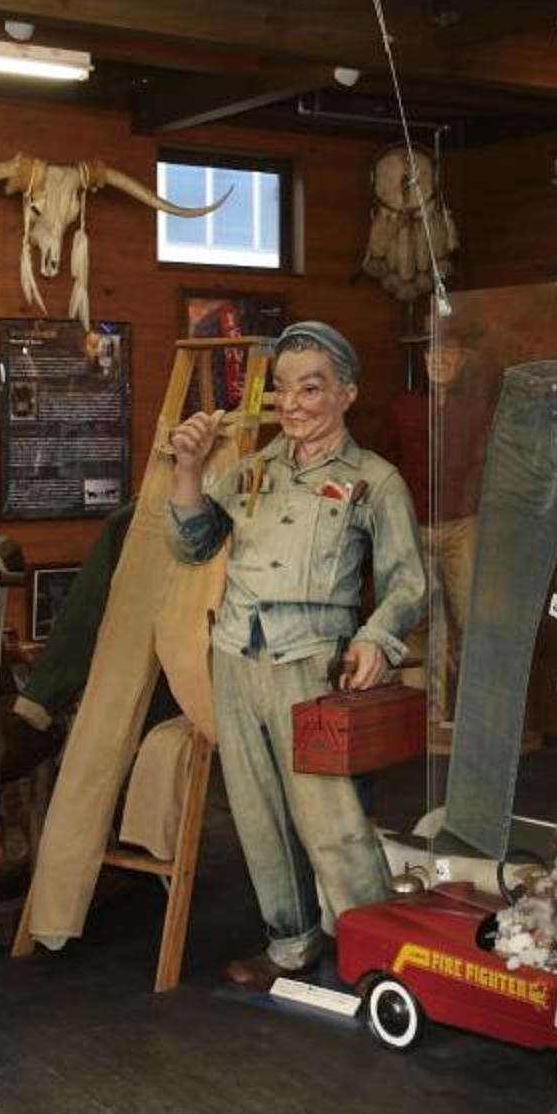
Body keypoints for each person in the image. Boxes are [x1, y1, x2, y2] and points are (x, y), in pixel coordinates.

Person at [166, 322, 426, 988]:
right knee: (256, 814)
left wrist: (375, 638)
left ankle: (381, 954)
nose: (292, 404)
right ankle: (290, 944)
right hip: (236, 657)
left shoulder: (375, 481)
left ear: (346, 394)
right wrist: (188, 472)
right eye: (281, 389)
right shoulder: (252, 471)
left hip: (313, 666)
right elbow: (193, 544)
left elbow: (408, 584)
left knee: (331, 818)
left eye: (310, 388)